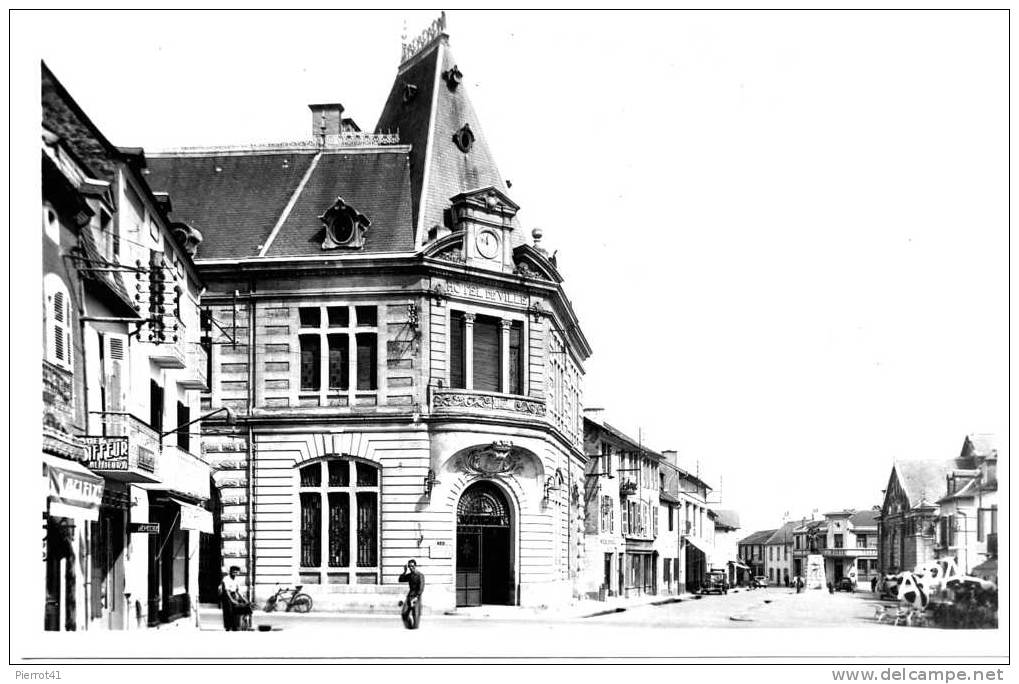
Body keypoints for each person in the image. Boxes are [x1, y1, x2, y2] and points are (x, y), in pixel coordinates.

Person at [219, 565, 251, 631]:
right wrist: (232, 600)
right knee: (228, 612)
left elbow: (238, 591)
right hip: (226, 596)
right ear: (230, 571)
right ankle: (228, 627)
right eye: (234, 571)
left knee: (235, 611)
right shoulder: (226, 579)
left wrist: (244, 599)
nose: (235, 573)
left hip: (233, 595)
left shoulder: (236, 579)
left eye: (237, 572)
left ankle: (234, 626)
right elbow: (227, 591)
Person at [399, 559, 425, 629]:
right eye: (409, 566)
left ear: (415, 566)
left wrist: (416, 597)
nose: (411, 568)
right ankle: (409, 627)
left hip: (416, 597)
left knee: (415, 615)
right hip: (409, 596)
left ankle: (415, 630)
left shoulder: (420, 575)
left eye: (412, 566)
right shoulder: (410, 575)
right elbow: (400, 579)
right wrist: (404, 571)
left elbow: (421, 588)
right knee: (404, 613)